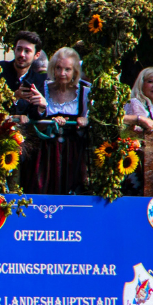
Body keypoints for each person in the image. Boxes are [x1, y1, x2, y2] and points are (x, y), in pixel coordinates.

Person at [21, 47, 92, 195]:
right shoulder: (42, 87)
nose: (62, 74)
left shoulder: (84, 91)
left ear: (75, 71)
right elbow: (32, 119)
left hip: (71, 153)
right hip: (43, 152)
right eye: (58, 68)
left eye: (67, 69)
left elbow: (89, 120)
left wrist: (84, 120)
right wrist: (50, 120)